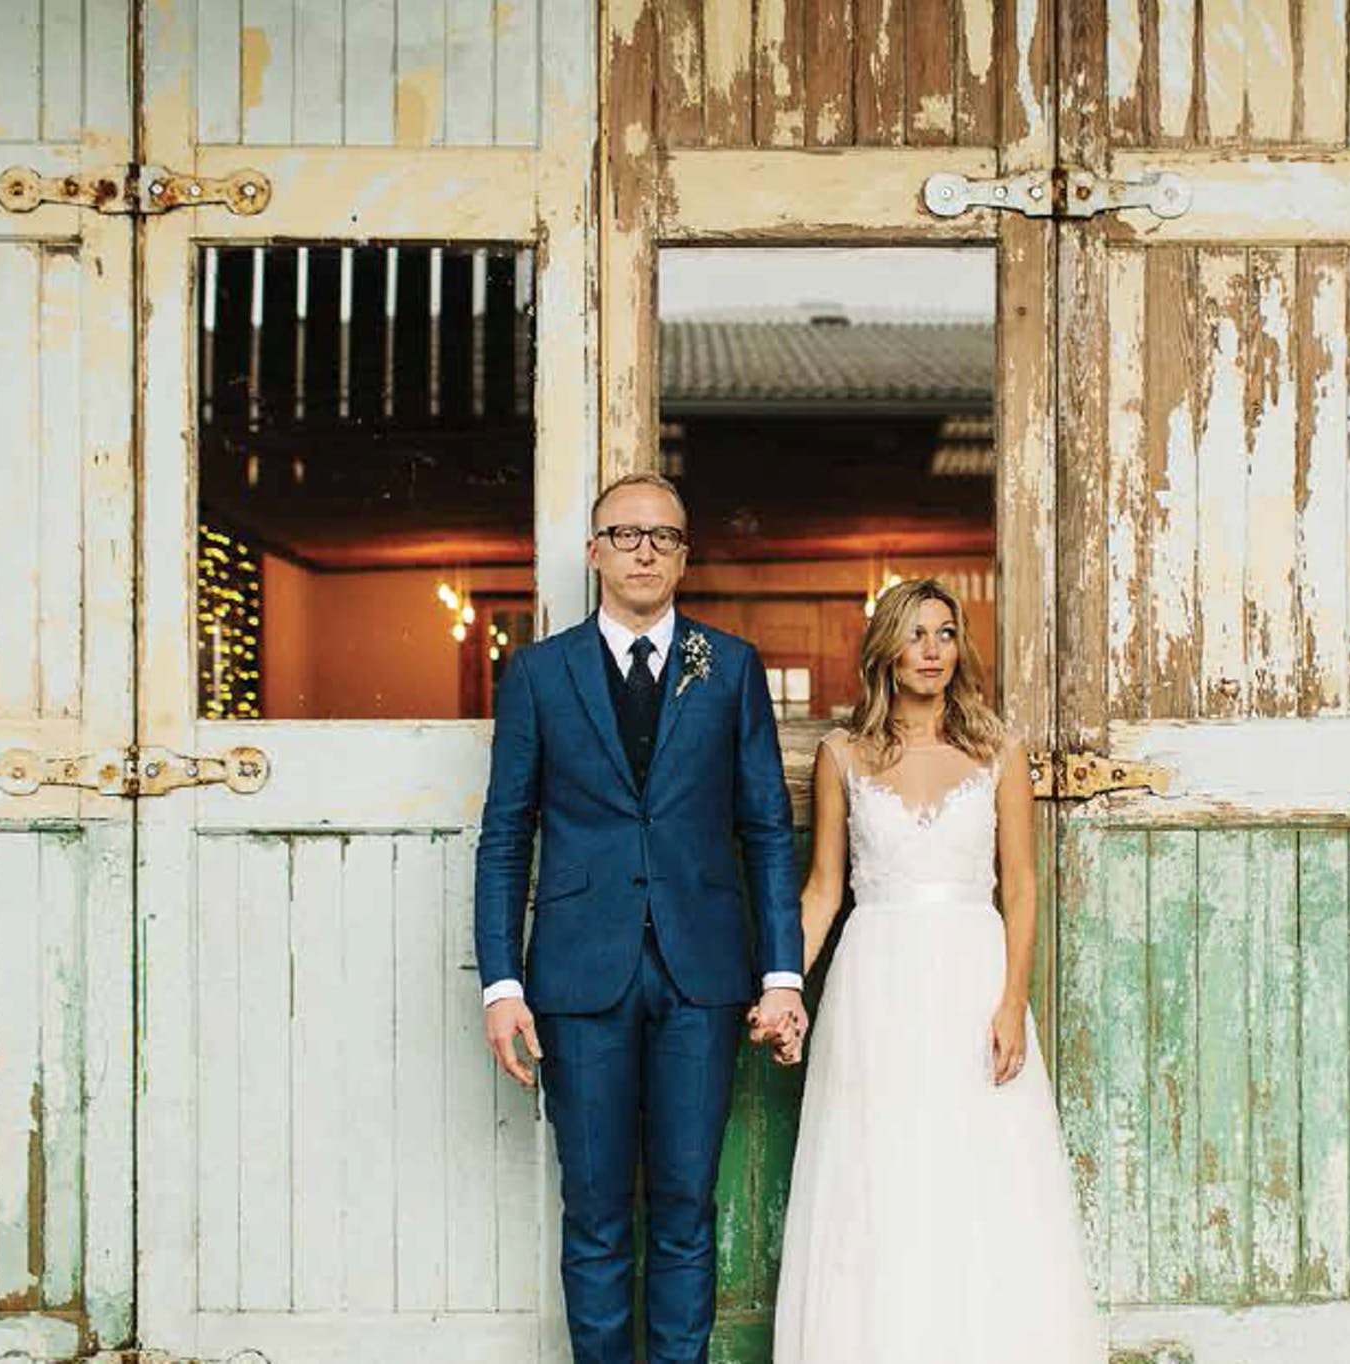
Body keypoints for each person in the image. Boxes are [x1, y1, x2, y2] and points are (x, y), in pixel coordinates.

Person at [473, 471, 808, 1364]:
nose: (645, 549)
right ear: (594, 553)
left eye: (663, 536)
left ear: (685, 556)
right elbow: (507, 835)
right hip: (578, 980)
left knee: (686, 1209)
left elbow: (766, 827)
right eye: (625, 534)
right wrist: (502, 984)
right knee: (592, 1212)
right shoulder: (539, 675)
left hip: (703, 977)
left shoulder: (729, 667)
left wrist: (781, 972)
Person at [761, 577, 1104, 1364]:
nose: (932, 651)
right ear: (886, 648)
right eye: (916, 635)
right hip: (875, 979)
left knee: (980, 1170)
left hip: (971, 976)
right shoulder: (842, 755)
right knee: (879, 1173)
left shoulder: (998, 752)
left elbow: (1018, 885)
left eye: (945, 634)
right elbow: (822, 890)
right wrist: (784, 985)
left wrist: (1013, 1000)